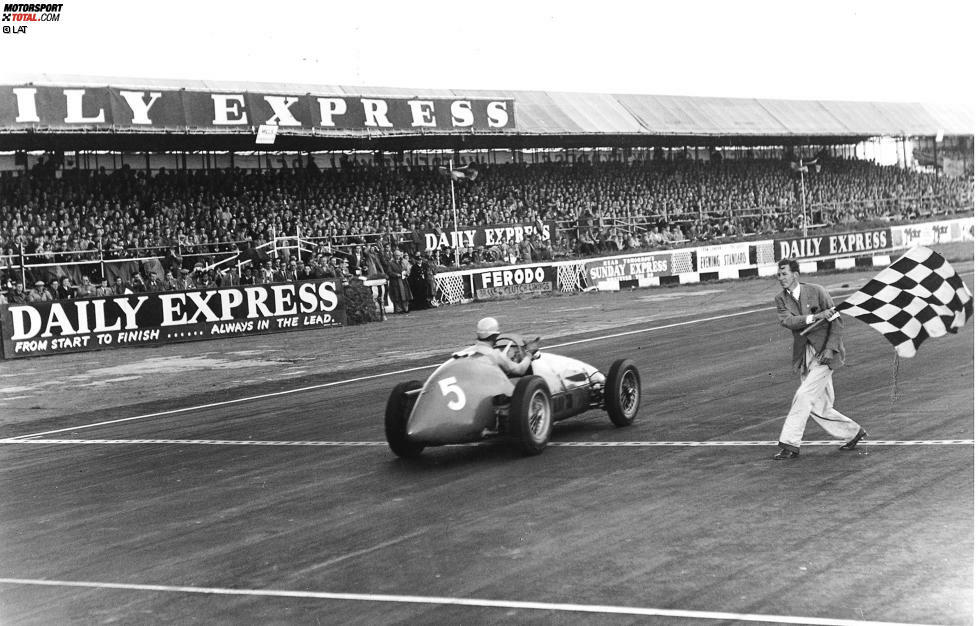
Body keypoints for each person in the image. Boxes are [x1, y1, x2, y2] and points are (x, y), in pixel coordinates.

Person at [772, 258, 867, 460]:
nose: (781, 278)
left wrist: (831, 350)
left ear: (795, 275)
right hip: (804, 355)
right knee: (818, 406)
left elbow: (837, 323)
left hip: (825, 353)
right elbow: (788, 321)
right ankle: (853, 432)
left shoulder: (818, 291)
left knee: (803, 395)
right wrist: (815, 317)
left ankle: (789, 443)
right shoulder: (780, 299)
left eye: (784, 274)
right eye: (779, 275)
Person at [454, 317, 538, 377]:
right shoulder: (496, 355)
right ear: (495, 336)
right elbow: (520, 370)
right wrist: (529, 354)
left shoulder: (466, 351)